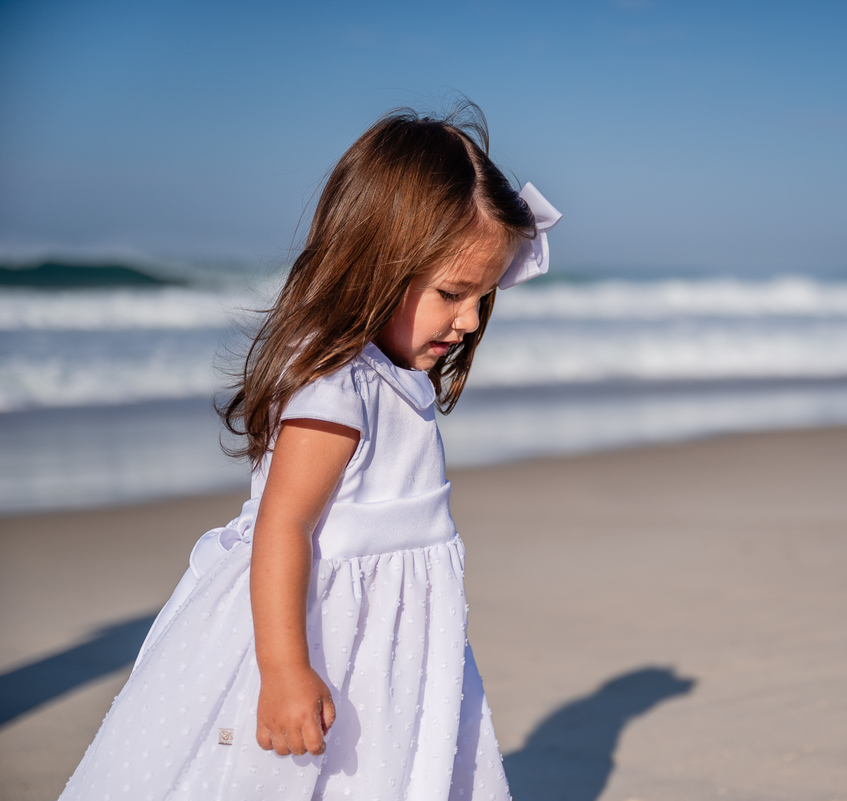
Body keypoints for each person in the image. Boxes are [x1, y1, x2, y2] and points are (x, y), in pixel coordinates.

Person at [59, 105, 561, 800]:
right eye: (453, 292)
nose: (471, 319)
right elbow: (283, 525)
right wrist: (285, 668)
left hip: (388, 647)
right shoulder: (336, 386)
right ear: (378, 262)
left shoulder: (396, 380)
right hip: (315, 636)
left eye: (484, 296)